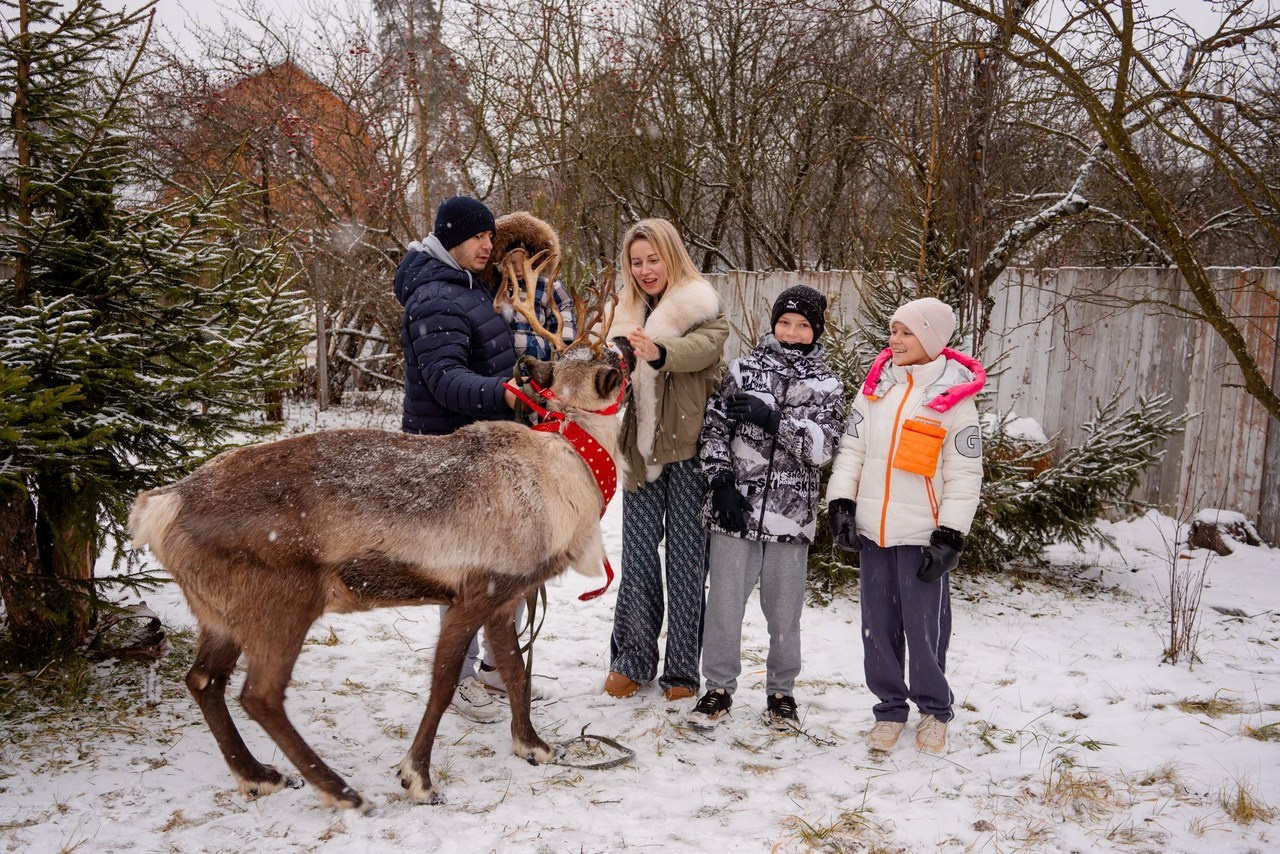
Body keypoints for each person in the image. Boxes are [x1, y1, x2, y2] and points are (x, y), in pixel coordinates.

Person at [395, 197, 569, 723]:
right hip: (448, 453)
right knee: (467, 573)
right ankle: (461, 677)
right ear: (452, 238)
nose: (489, 246)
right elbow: (445, 380)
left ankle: (497, 666)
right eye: (479, 237)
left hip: (482, 449)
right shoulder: (435, 297)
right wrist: (505, 393)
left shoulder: (467, 286)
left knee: (502, 564)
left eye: (491, 237)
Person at [824, 297, 985, 755]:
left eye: (907, 332)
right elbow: (852, 450)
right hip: (874, 532)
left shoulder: (953, 399)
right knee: (877, 627)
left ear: (931, 340)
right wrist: (841, 502)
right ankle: (890, 709)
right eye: (893, 330)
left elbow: (965, 473)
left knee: (924, 629)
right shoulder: (877, 388)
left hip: (923, 537)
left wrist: (950, 534)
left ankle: (934, 710)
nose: (895, 339)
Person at [687, 286, 845, 731]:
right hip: (734, 511)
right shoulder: (742, 370)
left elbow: (823, 450)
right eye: (784, 323)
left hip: (791, 518)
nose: (792, 333)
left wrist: (773, 419)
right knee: (724, 607)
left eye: (803, 325)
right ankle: (718, 688)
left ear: (816, 330)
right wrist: (721, 483)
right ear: (773, 324)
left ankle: (781, 692)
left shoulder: (829, 386)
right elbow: (713, 430)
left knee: (784, 614)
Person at [603, 218, 728, 702]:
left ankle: (682, 668)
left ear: (671, 256)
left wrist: (658, 351)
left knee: (686, 562)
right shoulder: (622, 314)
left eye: (653, 259)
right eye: (636, 262)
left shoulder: (704, 307)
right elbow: (612, 379)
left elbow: (700, 350)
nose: (645, 269)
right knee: (637, 558)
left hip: (691, 450)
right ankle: (633, 659)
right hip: (640, 450)